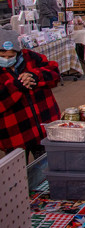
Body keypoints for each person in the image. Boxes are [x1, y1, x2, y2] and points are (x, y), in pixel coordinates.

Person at [0, 28, 61, 161]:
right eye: (2, 56)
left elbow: (55, 73)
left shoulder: (31, 58)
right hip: (15, 133)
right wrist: (16, 87)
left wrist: (36, 76)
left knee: (47, 166)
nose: (6, 59)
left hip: (43, 127)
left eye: (10, 56)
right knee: (18, 173)